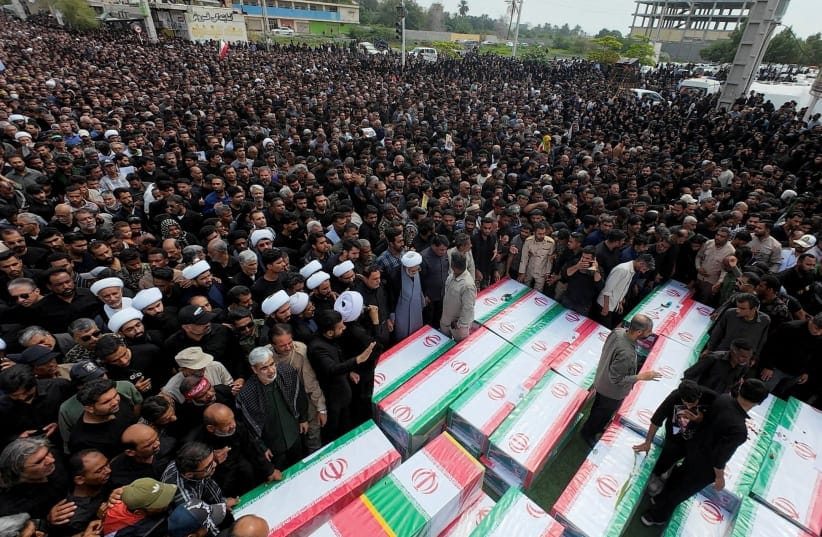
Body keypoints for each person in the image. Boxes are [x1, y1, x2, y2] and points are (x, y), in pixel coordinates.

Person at [640, 379, 769, 526]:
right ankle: (654, 516)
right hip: (704, 465)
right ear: (759, 402)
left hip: (692, 449)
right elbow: (719, 458)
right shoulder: (739, 429)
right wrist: (719, 478)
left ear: (740, 389)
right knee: (680, 492)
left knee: (679, 476)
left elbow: (706, 420)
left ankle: (658, 498)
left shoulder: (723, 399)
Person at [580, 314, 661, 447]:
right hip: (611, 392)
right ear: (639, 332)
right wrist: (641, 377)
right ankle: (588, 433)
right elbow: (617, 379)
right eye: (648, 331)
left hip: (601, 380)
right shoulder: (627, 353)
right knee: (602, 414)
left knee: (598, 409)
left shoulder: (618, 332)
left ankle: (592, 427)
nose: (650, 334)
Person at [633, 380, 715, 496]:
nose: (690, 406)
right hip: (675, 436)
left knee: (688, 459)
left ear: (699, 395)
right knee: (669, 453)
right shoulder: (674, 397)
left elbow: (718, 417)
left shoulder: (710, 396)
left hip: (697, 436)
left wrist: (699, 419)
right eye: (687, 403)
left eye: (693, 403)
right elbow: (656, 420)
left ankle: (672, 472)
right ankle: (658, 473)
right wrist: (647, 442)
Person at [307, 310, 374, 444]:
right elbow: (331, 369)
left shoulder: (332, 339)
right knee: (333, 435)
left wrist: (349, 372)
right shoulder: (317, 348)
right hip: (333, 401)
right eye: (340, 327)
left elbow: (338, 359)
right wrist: (358, 360)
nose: (344, 328)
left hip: (344, 395)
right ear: (330, 332)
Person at [235, 347, 307, 470]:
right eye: (264, 368)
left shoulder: (287, 372)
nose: (271, 370)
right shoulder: (247, 394)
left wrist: (303, 419)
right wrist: (262, 447)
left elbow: (300, 396)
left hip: (294, 434)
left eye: (272, 364)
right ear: (254, 369)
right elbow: (248, 426)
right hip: (272, 444)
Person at [702, 293, 770, 361]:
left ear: (754, 309)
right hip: (722, 353)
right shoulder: (730, 313)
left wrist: (754, 358)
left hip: (743, 360)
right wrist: (709, 349)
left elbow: (761, 341)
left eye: (742, 308)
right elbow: (717, 332)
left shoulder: (764, 321)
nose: (738, 310)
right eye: (738, 307)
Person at [101, 478, 177, 537]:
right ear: (139, 512)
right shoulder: (142, 532)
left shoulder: (123, 497)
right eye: (159, 504)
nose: (167, 502)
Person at [683, 339, 752, 394]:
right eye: (743, 357)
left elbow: (734, 386)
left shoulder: (744, 367)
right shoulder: (713, 358)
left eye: (749, 357)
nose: (747, 360)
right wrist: (691, 393)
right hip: (697, 396)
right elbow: (689, 374)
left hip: (717, 402)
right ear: (733, 352)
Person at [440, 251, 476, 342]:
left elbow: (468, 308)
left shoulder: (467, 285)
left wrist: (460, 324)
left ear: (453, 265)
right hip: (446, 319)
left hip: (458, 326)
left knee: (459, 349)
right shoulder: (451, 276)